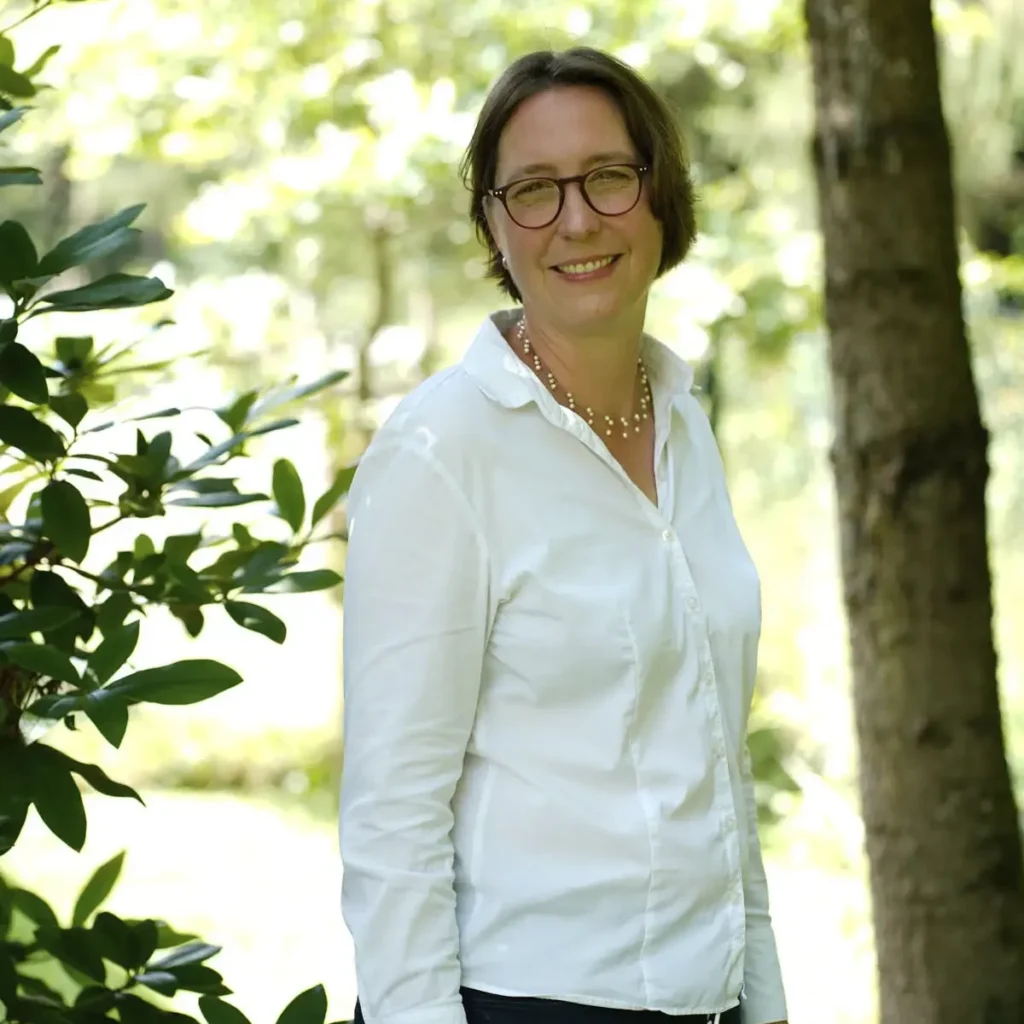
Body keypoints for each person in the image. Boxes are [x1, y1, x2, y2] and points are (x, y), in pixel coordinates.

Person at [339, 46, 789, 1024]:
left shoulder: (681, 422)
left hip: (703, 997)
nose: (577, 219)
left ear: (660, 194)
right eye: (534, 189)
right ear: (493, 224)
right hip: (514, 999)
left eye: (608, 177)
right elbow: (391, 813)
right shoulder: (440, 450)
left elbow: (715, 755)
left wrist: (762, 995)